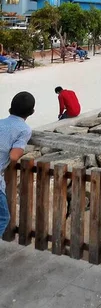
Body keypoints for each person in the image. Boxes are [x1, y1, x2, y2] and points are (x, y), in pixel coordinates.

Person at [0, 92, 35, 236]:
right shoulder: (24, 129)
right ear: (31, 112)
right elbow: (14, 156)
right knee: (3, 217)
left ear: (10, 108)